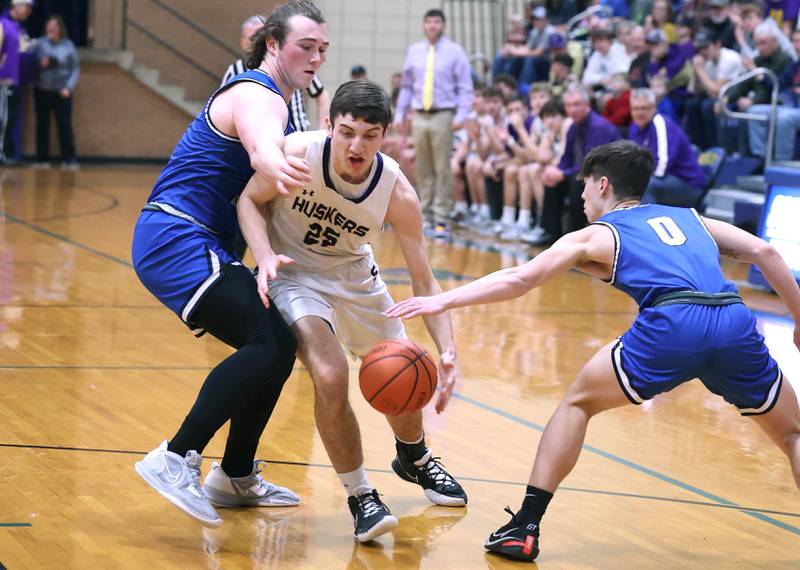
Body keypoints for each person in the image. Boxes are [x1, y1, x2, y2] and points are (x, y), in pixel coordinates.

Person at [386, 139, 800, 562]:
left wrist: (443, 300)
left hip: (673, 322)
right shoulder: (690, 218)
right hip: (733, 319)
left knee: (577, 404)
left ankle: (524, 527)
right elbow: (763, 251)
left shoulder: (598, 233)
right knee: (793, 434)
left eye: (584, 187)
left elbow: (520, 278)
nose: (581, 197)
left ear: (603, 185)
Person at [236, 80, 467, 543]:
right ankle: (361, 495)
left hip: (356, 278)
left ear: (386, 135)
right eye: (347, 132)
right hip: (294, 275)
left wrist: (447, 351)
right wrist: (262, 256)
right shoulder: (298, 153)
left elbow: (424, 279)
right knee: (331, 373)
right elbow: (249, 200)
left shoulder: (396, 191)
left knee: (404, 367)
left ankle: (414, 456)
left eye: (369, 134)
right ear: (329, 126)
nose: (356, 145)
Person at [131, 1, 328, 527]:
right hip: (176, 235)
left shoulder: (278, 100)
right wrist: (279, 162)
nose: (315, 58)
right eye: (304, 47)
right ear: (272, 45)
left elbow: (252, 196)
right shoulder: (256, 93)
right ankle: (175, 455)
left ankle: (235, 473)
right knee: (269, 342)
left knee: (277, 344)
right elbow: (263, 149)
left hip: (200, 241)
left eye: (321, 49)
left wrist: (264, 255)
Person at [394, 8, 473, 236]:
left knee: (442, 168)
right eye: (428, 22)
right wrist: (400, 114)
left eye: (436, 22)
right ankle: (426, 215)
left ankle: (442, 218)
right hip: (419, 114)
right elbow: (407, 86)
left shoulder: (455, 51)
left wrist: (461, 115)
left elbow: (465, 88)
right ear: (423, 25)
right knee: (423, 167)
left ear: (443, 25)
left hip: (443, 114)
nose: (432, 26)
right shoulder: (414, 51)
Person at [533, 83, 620, 245]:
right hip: (584, 172)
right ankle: (550, 231)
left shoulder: (599, 127)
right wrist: (556, 171)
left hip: (606, 175)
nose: (572, 109)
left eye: (576, 105)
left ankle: (574, 235)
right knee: (553, 181)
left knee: (576, 182)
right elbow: (567, 158)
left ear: (587, 105)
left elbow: (591, 163)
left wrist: (563, 173)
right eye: (569, 106)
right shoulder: (574, 127)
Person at [222, 14, 330, 132]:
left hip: (297, 134)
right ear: (243, 43)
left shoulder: (292, 63)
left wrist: (322, 130)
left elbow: (321, 94)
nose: (256, 44)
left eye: (260, 39)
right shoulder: (235, 70)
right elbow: (223, 107)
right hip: (260, 137)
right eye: (252, 39)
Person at [628, 88, 707, 207]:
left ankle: (645, 224)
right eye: (635, 109)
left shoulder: (661, 124)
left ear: (653, 107)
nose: (639, 113)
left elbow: (661, 167)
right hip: (665, 180)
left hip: (688, 184)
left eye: (644, 108)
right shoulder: (634, 127)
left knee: (647, 185)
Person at [33, 15, 79, 169]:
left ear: (60, 28)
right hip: (43, 89)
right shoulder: (39, 44)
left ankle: (69, 159)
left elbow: (75, 68)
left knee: (64, 125)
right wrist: (40, 64)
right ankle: (42, 159)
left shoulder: (68, 45)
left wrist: (69, 87)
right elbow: (31, 65)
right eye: (49, 25)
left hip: (62, 91)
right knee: (42, 125)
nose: (51, 28)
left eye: (54, 25)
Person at [0, 0, 33, 165]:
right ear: (17, 5)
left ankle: (8, 153)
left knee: (11, 118)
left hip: (16, 81)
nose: (29, 11)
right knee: (4, 118)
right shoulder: (3, 24)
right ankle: (3, 153)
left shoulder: (19, 27)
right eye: (27, 6)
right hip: (4, 80)